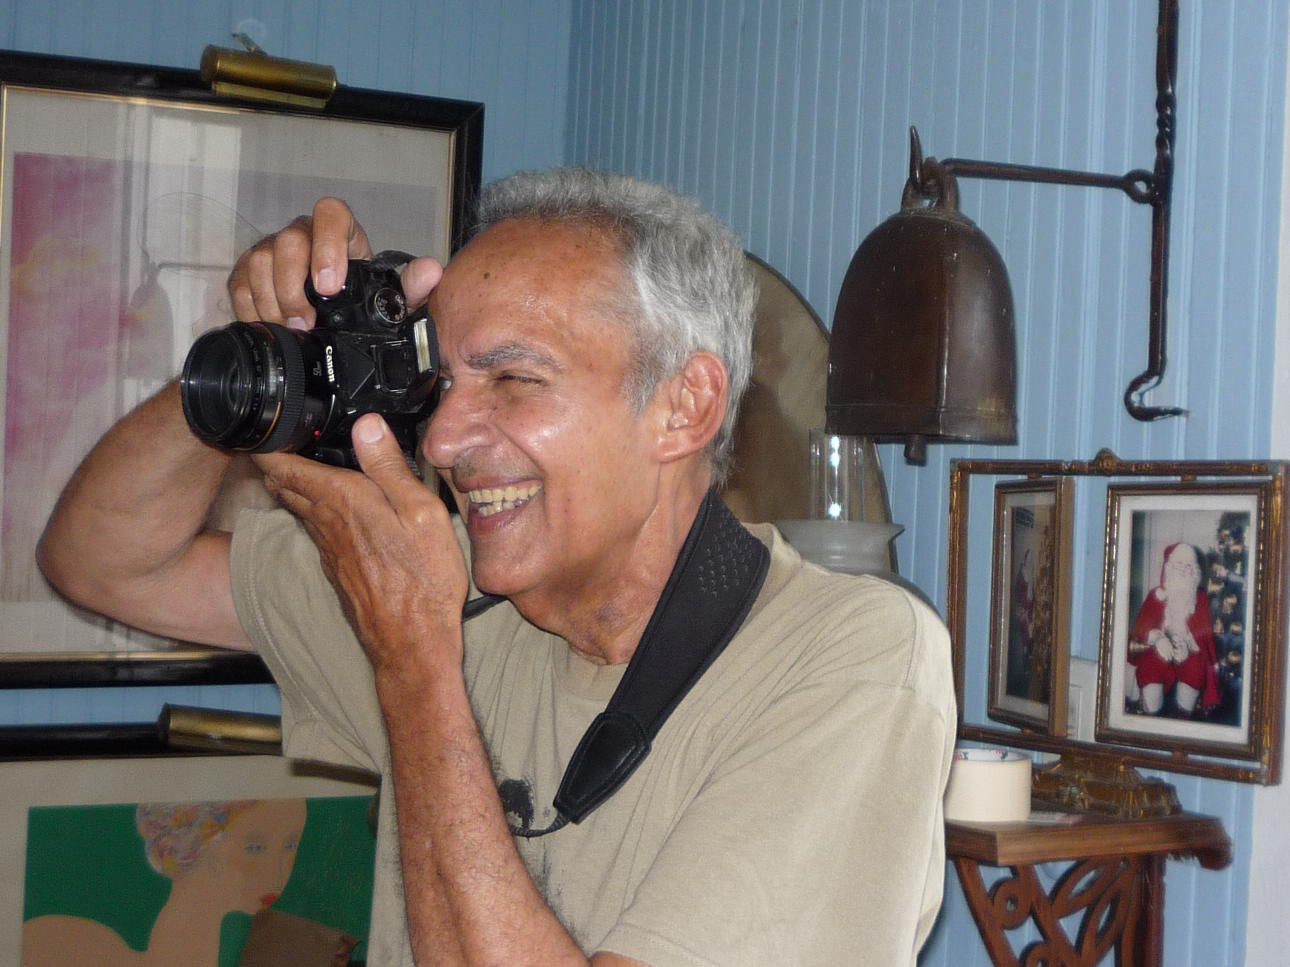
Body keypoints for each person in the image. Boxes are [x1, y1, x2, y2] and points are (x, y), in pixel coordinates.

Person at [38, 167, 956, 966]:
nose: (441, 436)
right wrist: (272, 359)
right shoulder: (456, 589)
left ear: (685, 405)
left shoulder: (853, 659)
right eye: (445, 381)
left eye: (513, 379)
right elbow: (103, 560)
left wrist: (415, 662)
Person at [22, 798, 307, 967]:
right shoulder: (54, 945)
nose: (278, 872)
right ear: (191, 843)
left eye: (291, 845)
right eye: (255, 848)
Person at [1126, 542, 1220, 716]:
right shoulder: (1156, 595)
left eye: (1190, 565)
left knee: (1195, 667)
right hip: (1158, 650)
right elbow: (1140, 631)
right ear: (1169, 567)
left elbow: (1203, 639)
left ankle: (1183, 713)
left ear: (1196, 571)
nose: (1185, 570)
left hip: (1187, 653)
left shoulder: (1201, 600)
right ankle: (1151, 710)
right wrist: (1158, 639)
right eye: (1180, 565)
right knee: (1151, 663)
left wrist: (1188, 648)